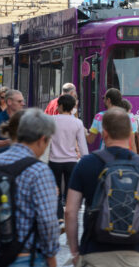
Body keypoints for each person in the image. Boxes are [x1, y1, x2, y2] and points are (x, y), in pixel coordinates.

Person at [66, 107, 139, 267]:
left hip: (94, 254)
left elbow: (70, 212)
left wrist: (75, 251)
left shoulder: (86, 164)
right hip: (135, 255)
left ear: (104, 133)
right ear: (129, 133)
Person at [0, 109, 60, 266]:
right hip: (24, 257)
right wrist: (51, 257)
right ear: (41, 139)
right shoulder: (39, 170)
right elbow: (47, 222)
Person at [48, 94, 88, 223]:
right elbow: (82, 144)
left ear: (60, 106)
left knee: (55, 190)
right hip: (71, 161)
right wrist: (86, 160)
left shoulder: (51, 120)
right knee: (71, 191)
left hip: (54, 161)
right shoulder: (77, 122)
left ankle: (59, 215)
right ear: (72, 107)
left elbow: (46, 141)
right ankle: (71, 214)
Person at [0, 89, 25, 155]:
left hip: (20, 159)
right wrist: (11, 141)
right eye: (19, 101)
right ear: (9, 102)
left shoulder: (25, 118)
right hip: (2, 160)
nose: (23, 104)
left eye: (23, 101)